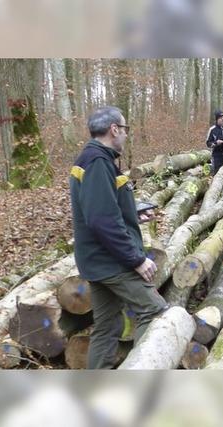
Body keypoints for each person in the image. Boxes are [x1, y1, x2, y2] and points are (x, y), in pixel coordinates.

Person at [70, 106, 168, 369]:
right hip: (110, 261)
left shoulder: (92, 159)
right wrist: (136, 259)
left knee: (108, 325)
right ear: (114, 129)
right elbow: (101, 220)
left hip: (97, 260)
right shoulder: (98, 163)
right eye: (124, 129)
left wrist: (132, 217)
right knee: (155, 311)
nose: (125, 135)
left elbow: (102, 208)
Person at [206, 110, 223, 174]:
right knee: (217, 174)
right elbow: (208, 143)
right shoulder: (212, 129)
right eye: (220, 118)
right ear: (217, 120)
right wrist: (216, 143)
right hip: (217, 155)